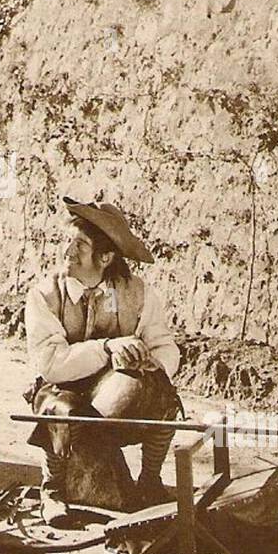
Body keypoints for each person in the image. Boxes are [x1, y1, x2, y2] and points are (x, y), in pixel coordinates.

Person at [23, 197, 183, 526]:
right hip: (61, 388)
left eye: (80, 245)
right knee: (60, 407)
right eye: (67, 242)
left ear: (106, 257)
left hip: (112, 393)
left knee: (164, 395)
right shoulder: (45, 295)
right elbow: (52, 363)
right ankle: (53, 488)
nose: (67, 252)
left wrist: (152, 364)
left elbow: (165, 346)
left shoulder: (136, 293)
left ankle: (149, 483)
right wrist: (107, 348)